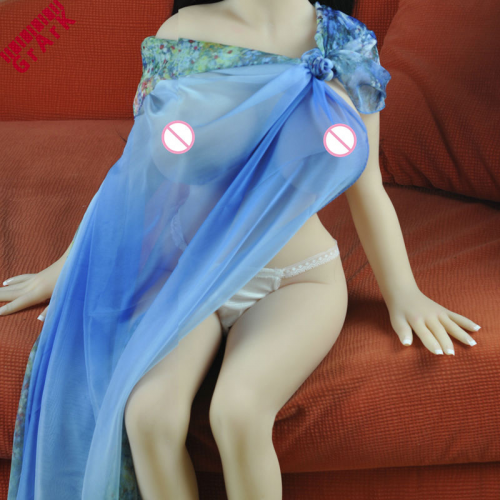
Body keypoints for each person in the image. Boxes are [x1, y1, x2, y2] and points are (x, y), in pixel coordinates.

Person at [2, 1, 480, 498]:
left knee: (239, 413)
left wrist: (404, 292)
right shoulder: (184, 35)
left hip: (297, 278)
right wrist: (68, 266)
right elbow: (136, 173)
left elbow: (369, 186)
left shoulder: (346, 43)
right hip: (193, 272)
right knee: (148, 417)